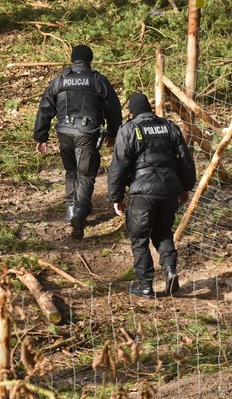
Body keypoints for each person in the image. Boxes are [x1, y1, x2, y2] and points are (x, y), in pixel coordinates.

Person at [107, 93, 196, 298]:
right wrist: (185, 188)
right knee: (163, 232)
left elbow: (118, 167)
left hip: (142, 191)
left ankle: (145, 284)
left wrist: (116, 197)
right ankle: (170, 271)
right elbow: (185, 159)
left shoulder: (129, 129)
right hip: (170, 189)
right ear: (149, 108)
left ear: (131, 112)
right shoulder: (169, 127)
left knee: (139, 238)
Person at [33, 45, 123, 241]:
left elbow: (45, 108)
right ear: (90, 60)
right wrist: (113, 133)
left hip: (64, 132)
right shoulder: (97, 80)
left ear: (73, 60)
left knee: (71, 171)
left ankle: (71, 209)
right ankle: (80, 213)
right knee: (85, 174)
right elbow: (113, 108)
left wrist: (41, 137)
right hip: (87, 133)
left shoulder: (59, 81)